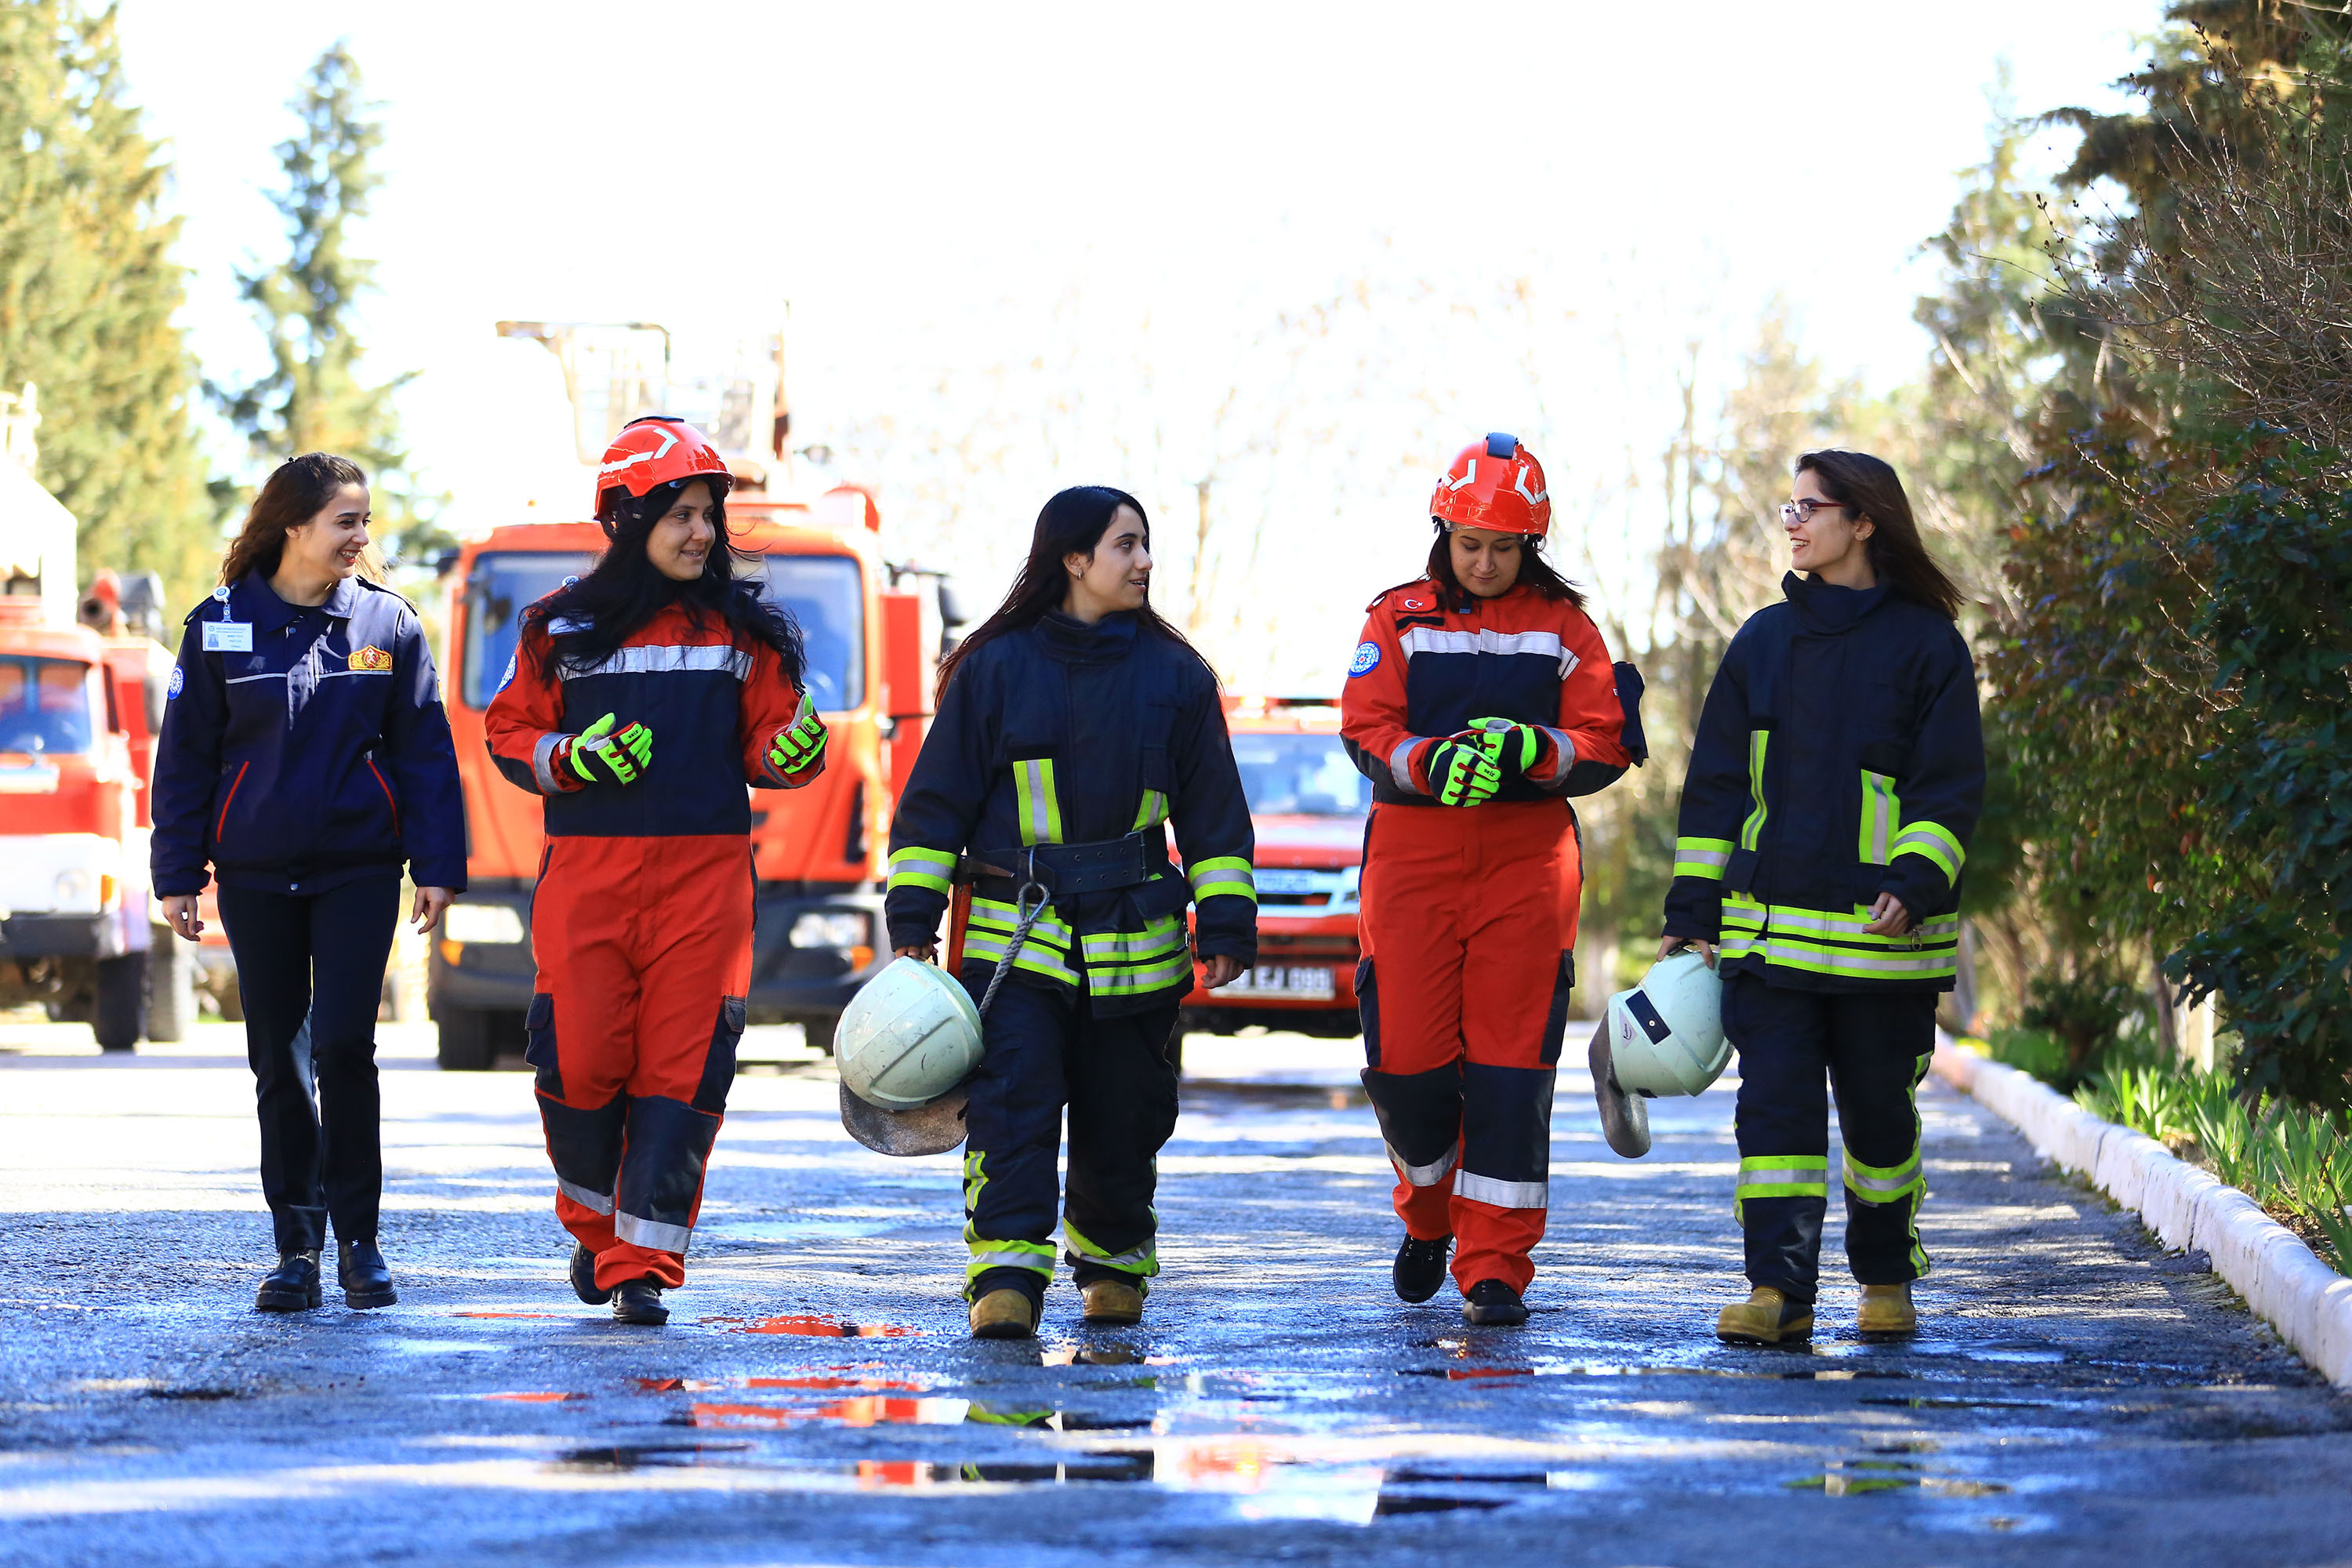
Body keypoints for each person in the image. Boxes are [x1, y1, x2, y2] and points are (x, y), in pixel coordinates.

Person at [884, 486, 1256, 1341]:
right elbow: (933, 806)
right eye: (1126, 545)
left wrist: (1229, 921)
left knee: (1124, 1109)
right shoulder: (992, 668)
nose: (1144, 561)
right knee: (1013, 1101)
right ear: (1073, 560)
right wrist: (914, 919)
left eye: (1145, 544)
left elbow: (1214, 815)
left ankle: (1114, 1265)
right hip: (1016, 941)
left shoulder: (1178, 677)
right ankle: (1005, 1273)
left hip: (1141, 938)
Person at [485, 416, 827, 1327]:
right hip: (587, 882)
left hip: (705, 886)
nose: (702, 533)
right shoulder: (557, 624)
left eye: (709, 514)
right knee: (580, 1059)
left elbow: (774, 739)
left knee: (682, 1073)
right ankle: (599, 1233)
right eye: (679, 513)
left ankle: (641, 1263)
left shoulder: (743, 632)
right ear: (626, 519)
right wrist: (573, 755)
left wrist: (794, 750)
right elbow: (509, 731)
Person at [1660, 448, 1983, 1345]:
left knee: (1881, 1123)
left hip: (1886, 947)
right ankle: (1778, 1289)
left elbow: (1949, 788)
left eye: (1811, 506)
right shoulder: (1763, 642)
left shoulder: (1929, 647)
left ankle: (1885, 1276)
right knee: (1775, 1122)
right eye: (1788, 507)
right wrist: (1690, 912)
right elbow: (1716, 787)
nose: (1794, 522)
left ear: (1864, 520)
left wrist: (1916, 881)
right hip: (1771, 945)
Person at [152, 452, 466, 1312]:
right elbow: (184, 758)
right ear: (295, 524)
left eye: (365, 522)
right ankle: (296, 1245)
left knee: (342, 1046)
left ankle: (360, 1241)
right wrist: (177, 869)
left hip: (359, 868)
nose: (361, 538)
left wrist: (438, 866)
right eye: (346, 521)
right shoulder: (218, 622)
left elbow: (426, 753)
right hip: (255, 873)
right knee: (278, 1058)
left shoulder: (389, 624)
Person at [1340, 434, 1638, 1327]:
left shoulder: (1568, 628)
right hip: (1413, 859)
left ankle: (1496, 1264)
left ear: (1532, 546)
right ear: (1443, 531)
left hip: (1526, 863)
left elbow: (1607, 738)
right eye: (1469, 543)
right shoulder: (1396, 618)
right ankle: (1428, 1216)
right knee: (1408, 1069)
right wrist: (1426, 762)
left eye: (1504, 547)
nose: (1486, 561)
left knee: (1511, 1071)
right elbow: (1366, 727)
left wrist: (1537, 751)